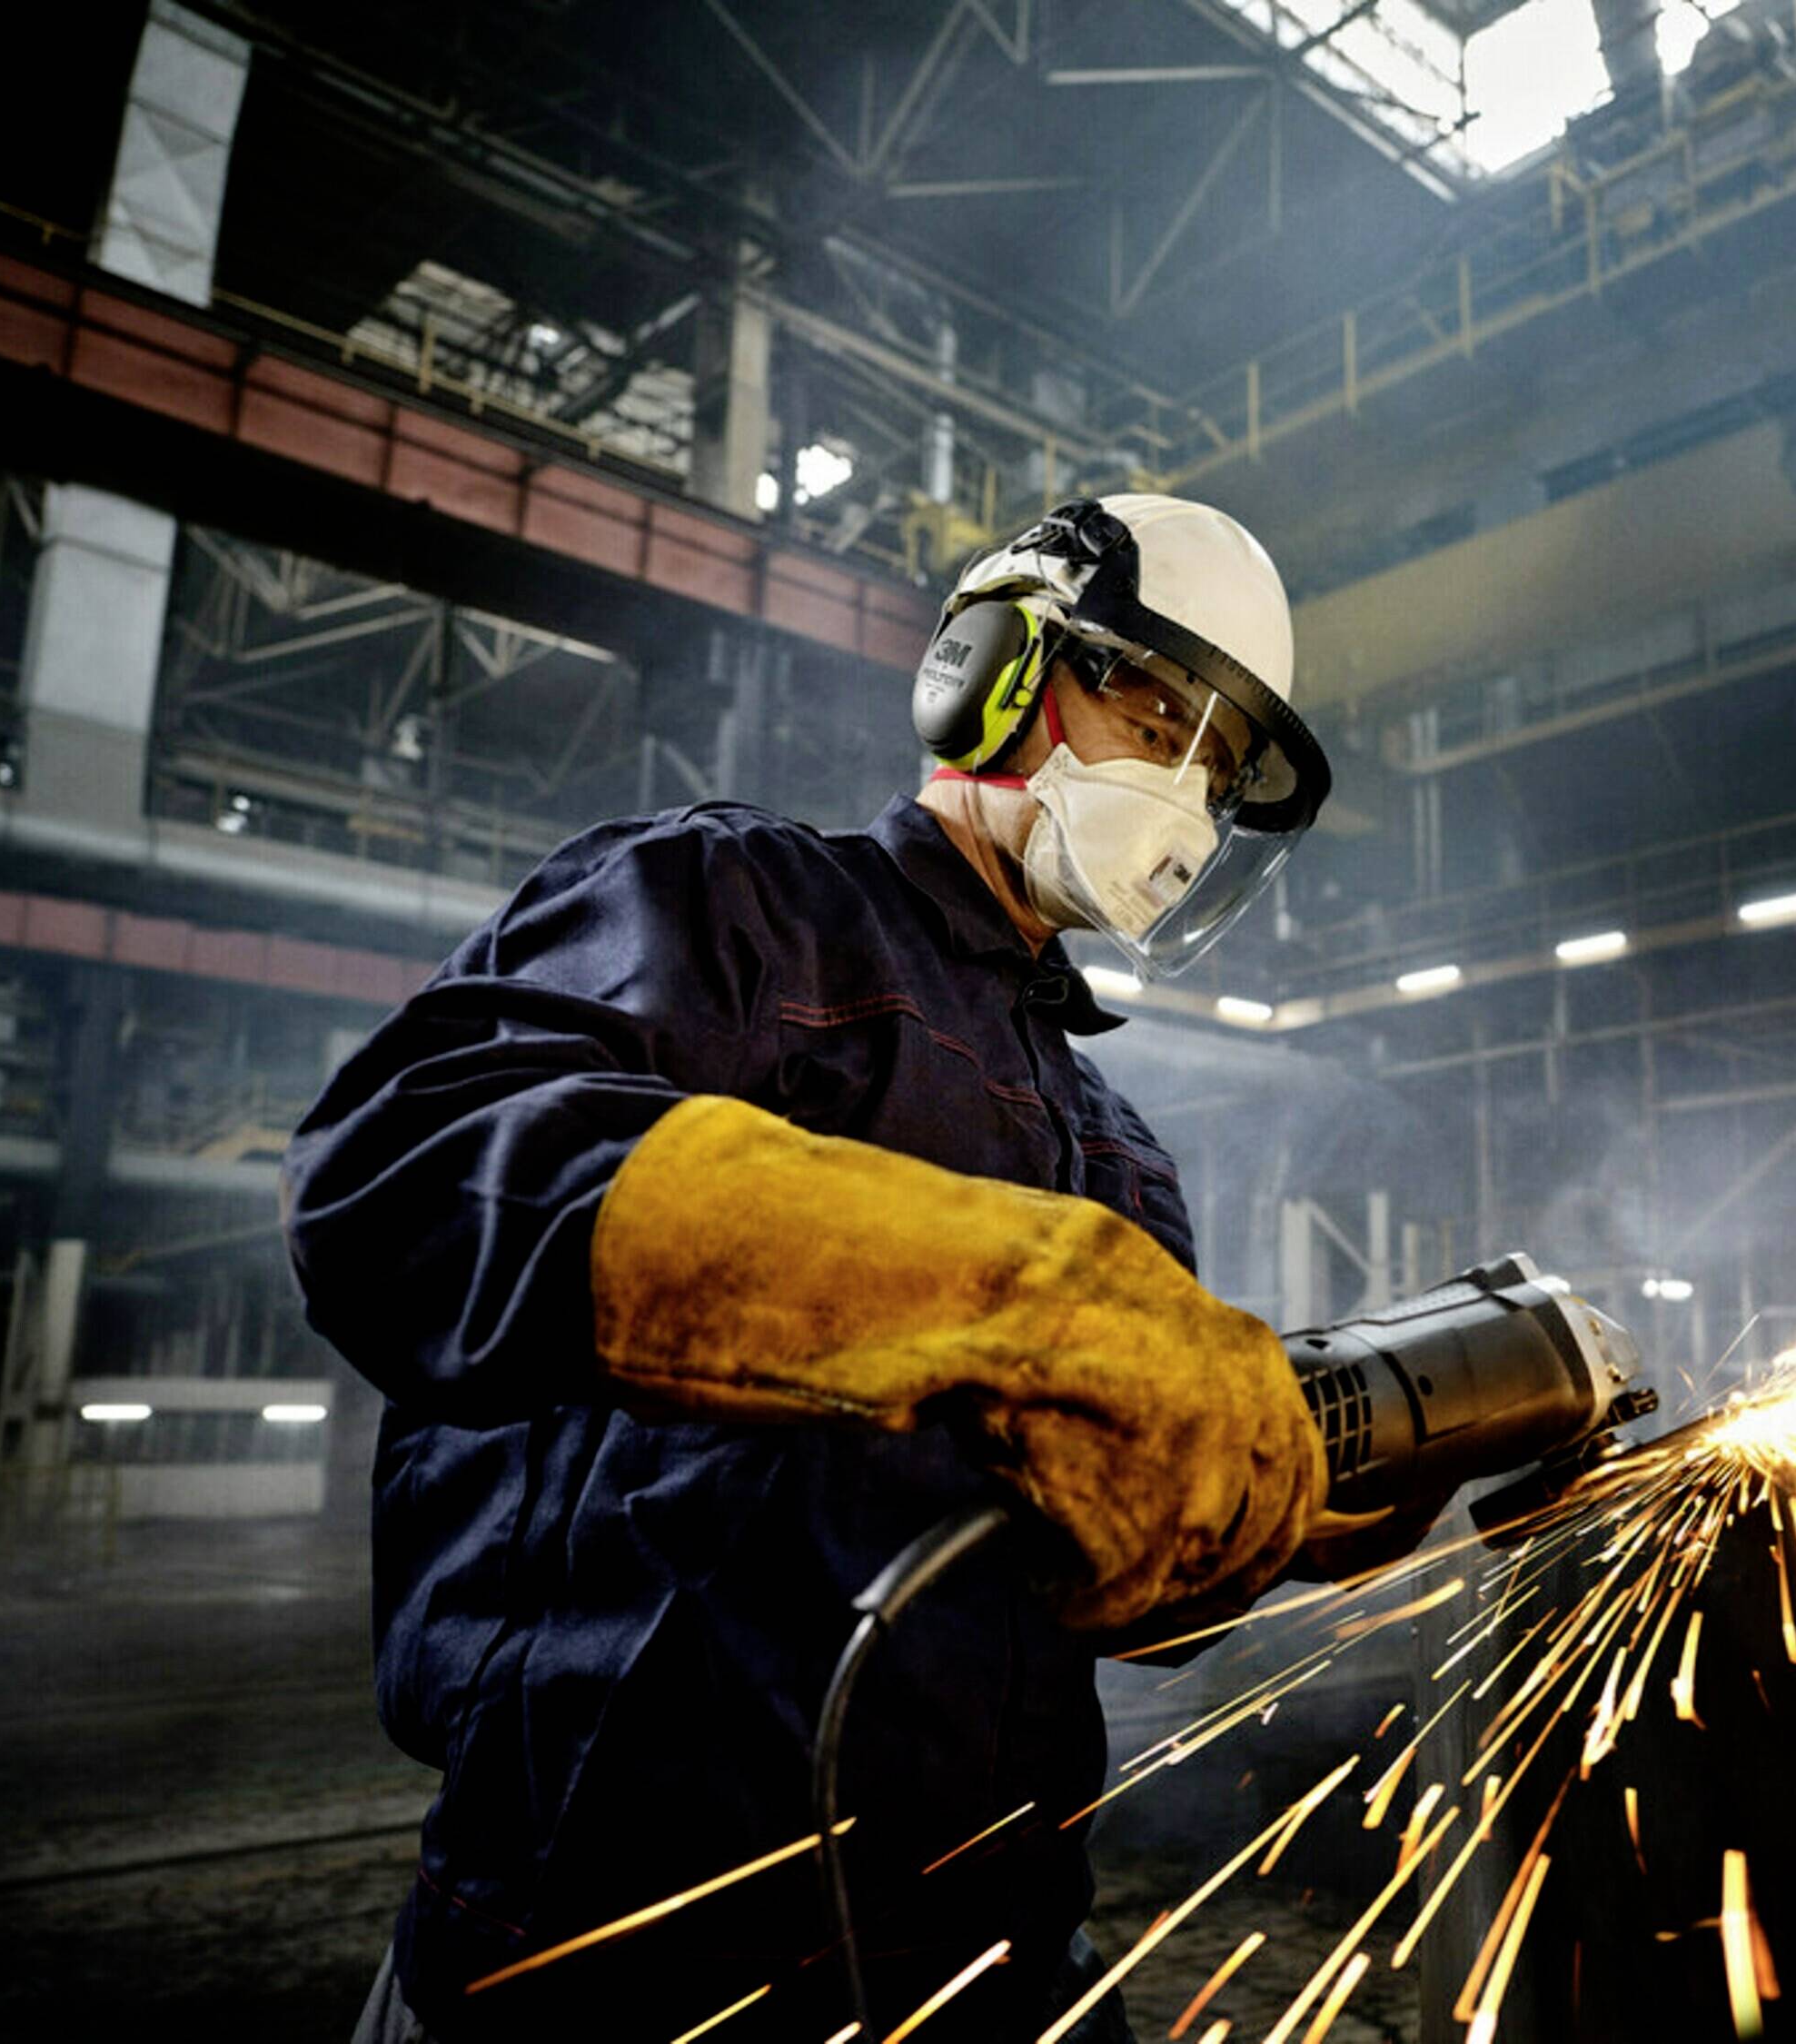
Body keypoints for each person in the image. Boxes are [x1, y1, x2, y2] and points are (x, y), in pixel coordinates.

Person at [288, 494, 1337, 2042]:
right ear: (993, 667)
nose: (1183, 787)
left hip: (986, 1963)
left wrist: (1302, 1488)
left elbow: (1109, 1594)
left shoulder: (1117, 1150)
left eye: (1221, 761)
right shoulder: (738, 910)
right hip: (613, 1951)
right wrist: (999, 1290)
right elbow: (405, 1172)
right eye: (1158, 705)